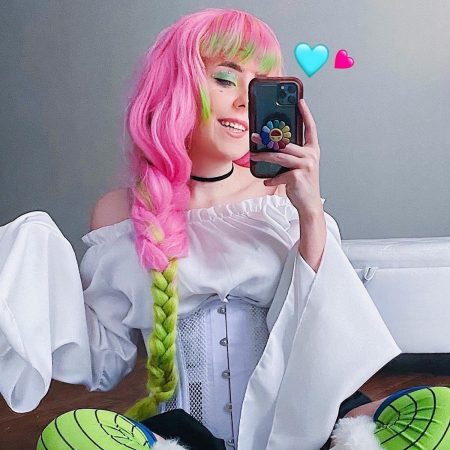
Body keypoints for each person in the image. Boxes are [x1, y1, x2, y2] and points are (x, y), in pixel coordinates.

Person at [0, 8, 401, 449]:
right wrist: (34, 270)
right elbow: (107, 360)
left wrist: (309, 210)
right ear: (175, 86)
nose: (245, 101)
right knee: (68, 436)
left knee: (436, 414)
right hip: (184, 436)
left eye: (259, 86)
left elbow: (324, 329)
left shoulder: (280, 200)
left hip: (295, 426)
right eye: (225, 79)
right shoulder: (120, 214)